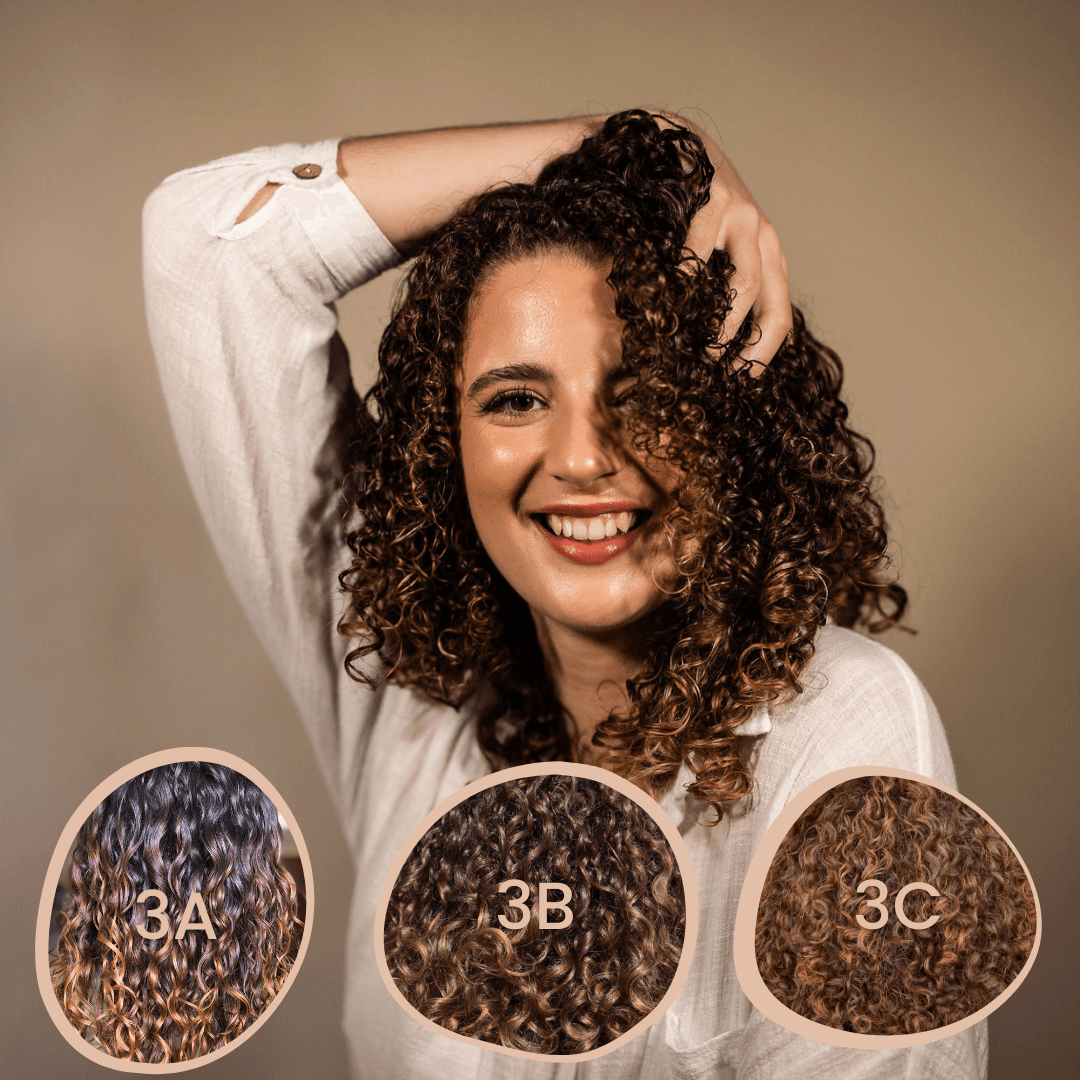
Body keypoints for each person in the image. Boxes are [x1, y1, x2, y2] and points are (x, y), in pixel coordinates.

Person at [144, 110, 986, 1078]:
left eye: (643, 395)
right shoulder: (414, 696)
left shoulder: (846, 726)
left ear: (732, 421)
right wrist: (643, 142)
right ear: (439, 447)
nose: (584, 457)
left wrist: (641, 164)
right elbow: (208, 249)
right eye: (515, 398)